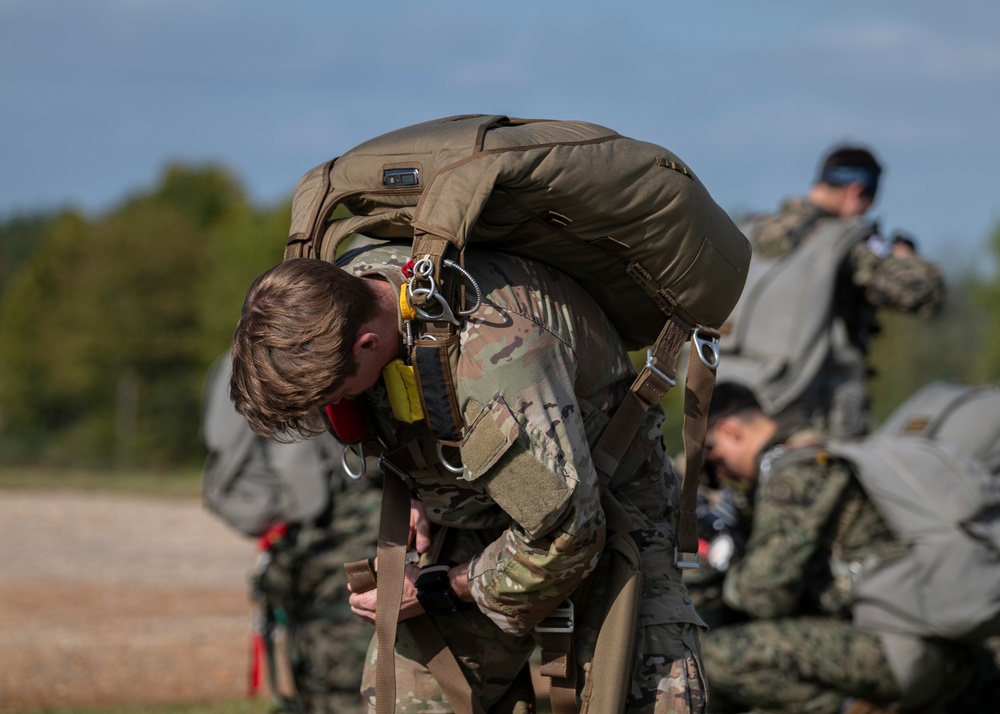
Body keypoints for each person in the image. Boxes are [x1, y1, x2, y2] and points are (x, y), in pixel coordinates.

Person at [229, 243, 708, 713]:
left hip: (609, 508)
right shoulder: (355, 285)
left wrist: (441, 587)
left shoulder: (496, 361)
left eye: (337, 392)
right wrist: (422, 490)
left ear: (367, 344)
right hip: (477, 506)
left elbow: (567, 536)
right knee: (406, 697)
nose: (335, 404)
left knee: (647, 694)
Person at [697, 382, 984, 714]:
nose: (719, 474)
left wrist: (727, 568)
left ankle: (854, 709)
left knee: (718, 657)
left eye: (713, 458)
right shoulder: (825, 448)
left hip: (899, 649)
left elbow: (764, 595)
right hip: (933, 638)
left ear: (731, 431)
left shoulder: (795, 475)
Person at [718, 144, 945, 438]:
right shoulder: (846, 245)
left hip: (714, 408)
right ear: (856, 191)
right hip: (803, 426)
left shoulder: (749, 229)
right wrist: (905, 258)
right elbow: (923, 292)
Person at [201, 351, 380, 714]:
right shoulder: (300, 349)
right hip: (340, 526)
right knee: (340, 655)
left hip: (318, 535)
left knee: (328, 654)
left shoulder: (256, 352)